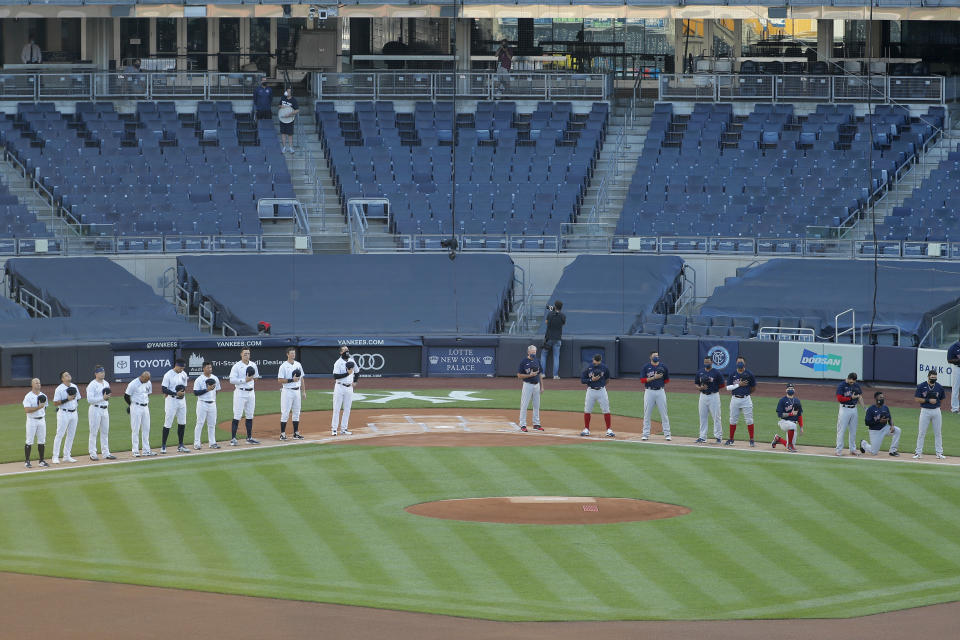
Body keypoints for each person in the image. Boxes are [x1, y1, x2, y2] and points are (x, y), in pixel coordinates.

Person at [229, 348, 260, 445]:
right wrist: (244, 380)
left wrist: (252, 379)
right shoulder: (236, 366)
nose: (247, 355)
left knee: (250, 415)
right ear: (241, 355)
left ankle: (249, 437)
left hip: (251, 393)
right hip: (240, 393)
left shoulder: (253, 365)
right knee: (237, 415)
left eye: (248, 354)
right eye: (245, 354)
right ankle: (233, 439)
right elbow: (232, 380)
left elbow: (256, 377)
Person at [724, 356, 757, 446]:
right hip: (735, 399)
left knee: (749, 420)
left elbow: (753, 387)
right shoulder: (733, 374)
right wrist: (739, 385)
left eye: (741, 362)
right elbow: (728, 388)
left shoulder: (749, 374)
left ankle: (751, 440)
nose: (740, 364)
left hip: (746, 399)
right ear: (736, 363)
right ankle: (731, 439)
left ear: (744, 363)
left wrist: (746, 393)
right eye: (738, 362)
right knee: (732, 420)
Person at [913, 370, 946, 460]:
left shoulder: (939, 387)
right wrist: (928, 401)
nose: (933, 379)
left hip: (936, 411)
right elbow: (916, 399)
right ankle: (918, 452)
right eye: (932, 377)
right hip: (925, 411)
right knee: (921, 432)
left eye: (935, 378)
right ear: (928, 377)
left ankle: (939, 453)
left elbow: (942, 399)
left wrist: (937, 405)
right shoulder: (921, 386)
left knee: (938, 433)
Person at [160, 358, 190, 454]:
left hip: (182, 401)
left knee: (182, 423)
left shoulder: (184, 374)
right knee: (168, 423)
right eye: (181, 368)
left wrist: (181, 393)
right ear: (176, 366)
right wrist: (175, 393)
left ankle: (180, 445)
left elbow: (184, 386)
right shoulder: (168, 375)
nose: (182, 369)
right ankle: (163, 446)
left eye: (183, 368)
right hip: (171, 401)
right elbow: (164, 389)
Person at [580, 353, 614, 438]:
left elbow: (607, 379)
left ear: (600, 360)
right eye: (596, 361)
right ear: (593, 359)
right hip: (591, 391)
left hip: (602, 390)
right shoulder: (589, 368)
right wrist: (592, 379)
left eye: (598, 361)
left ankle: (609, 429)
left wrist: (601, 384)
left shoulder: (604, 367)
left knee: (606, 409)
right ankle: (586, 429)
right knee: (587, 410)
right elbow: (582, 380)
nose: (597, 363)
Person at [86, 365, 115, 461]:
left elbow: (108, 396)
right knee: (93, 432)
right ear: (96, 374)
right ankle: (92, 453)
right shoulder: (92, 385)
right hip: (95, 409)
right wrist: (103, 398)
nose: (103, 373)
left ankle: (106, 453)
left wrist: (106, 398)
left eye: (103, 372)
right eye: (101, 372)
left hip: (105, 409)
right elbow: (90, 400)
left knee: (105, 432)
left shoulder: (106, 383)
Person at [52, 371, 81, 464]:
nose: (68, 376)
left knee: (71, 435)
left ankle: (67, 456)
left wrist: (73, 406)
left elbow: (78, 398)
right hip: (63, 413)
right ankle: (55, 456)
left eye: (69, 374)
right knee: (60, 434)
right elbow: (55, 403)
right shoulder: (59, 389)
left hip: (74, 413)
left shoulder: (74, 386)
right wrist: (67, 399)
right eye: (66, 375)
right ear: (62, 379)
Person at [640, 351, 670, 441]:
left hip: (660, 391)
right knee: (647, 414)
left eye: (657, 355)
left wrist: (658, 383)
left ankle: (667, 434)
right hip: (649, 391)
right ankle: (645, 434)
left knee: (664, 414)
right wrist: (654, 378)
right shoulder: (646, 367)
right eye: (654, 356)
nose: (656, 357)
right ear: (650, 357)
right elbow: (642, 380)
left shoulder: (663, 366)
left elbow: (667, 380)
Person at [694, 355, 724, 443]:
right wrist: (700, 388)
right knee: (702, 416)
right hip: (703, 396)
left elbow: (722, 385)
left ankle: (718, 437)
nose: (706, 363)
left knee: (716, 417)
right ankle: (702, 437)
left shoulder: (716, 373)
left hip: (713, 396)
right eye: (705, 362)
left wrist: (713, 387)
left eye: (708, 362)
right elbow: (696, 383)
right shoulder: (700, 372)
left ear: (712, 362)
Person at [860, 391, 901, 457]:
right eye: (880, 397)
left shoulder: (885, 408)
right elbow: (867, 423)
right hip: (875, 431)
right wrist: (879, 421)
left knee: (898, 430)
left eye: (883, 397)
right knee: (874, 452)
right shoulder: (871, 409)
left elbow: (890, 418)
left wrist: (892, 426)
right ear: (876, 398)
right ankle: (863, 444)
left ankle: (893, 451)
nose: (882, 399)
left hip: (885, 428)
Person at [278, 346, 306, 440]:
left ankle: (296, 433)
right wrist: (291, 380)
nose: (293, 355)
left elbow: (302, 378)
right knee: (285, 412)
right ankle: (282, 434)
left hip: (297, 391)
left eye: (294, 353)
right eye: (291, 353)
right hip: (287, 391)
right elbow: (280, 380)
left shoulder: (298, 364)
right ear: (287, 354)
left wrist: (303, 391)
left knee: (297, 412)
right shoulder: (283, 366)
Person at [124, 371, 155, 457]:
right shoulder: (133, 384)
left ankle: (146, 450)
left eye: (148, 379)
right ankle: (135, 451)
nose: (147, 381)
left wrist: (144, 402)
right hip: (136, 407)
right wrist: (131, 405)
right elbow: (126, 396)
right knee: (135, 429)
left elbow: (148, 394)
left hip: (145, 407)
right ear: (142, 376)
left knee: (146, 428)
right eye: (146, 379)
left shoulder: (148, 383)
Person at [192, 361, 221, 450]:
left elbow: (217, 390)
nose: (210, 369)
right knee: (200, 423)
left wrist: (213, 399)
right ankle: (197, 443)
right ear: (203, 368)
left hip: (212, 404)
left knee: (212, 424)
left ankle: (212, 443)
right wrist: (207, 390)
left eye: (210, 368)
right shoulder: (199, 379)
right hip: (202, 403)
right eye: (208, 368)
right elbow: (195, 392)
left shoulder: (215, 378)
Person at [332, 346, 359, 436]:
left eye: (347, 350)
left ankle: (344, 429)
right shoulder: (338, 363)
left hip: (349, 388)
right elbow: (335, 376)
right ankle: (334, 429)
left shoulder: (351, 360)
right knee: (337, 408)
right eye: (344, 350)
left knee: (347, 409)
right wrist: (347, 373)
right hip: (339, 387)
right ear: (340, 352)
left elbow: (357, 371)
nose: (347, 351)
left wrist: (355, 381)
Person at [517, 345, 544, 433]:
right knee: (524, 405)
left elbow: (540, 374)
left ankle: (536, 424)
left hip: (536, 385)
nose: (533, 354)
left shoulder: (537, 360)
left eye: (535, 352)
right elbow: (519, 375)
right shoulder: (523, 362)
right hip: (527, 385)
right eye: (532, 352)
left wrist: (542, 386)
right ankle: (523, 424)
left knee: (536, 405)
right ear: (528, 352)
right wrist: (529, 375)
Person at [835, 372, 862, 457]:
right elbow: (839, 398)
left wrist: (864, 408)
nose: (852, 383)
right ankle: (838, 450)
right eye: (851, 381)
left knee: (853, 431)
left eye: (854, 381)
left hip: (854, 409)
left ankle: (853, 449)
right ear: (848, 378)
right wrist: (850, 398)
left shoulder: (856, 385)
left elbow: (860, 397)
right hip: (844, 409)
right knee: (841, 430)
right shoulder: (841, 385)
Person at [23, 379, 49, 468]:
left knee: (42, 440)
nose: (38, 384)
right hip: (31, 420)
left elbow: (45, 408)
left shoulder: (43, 396)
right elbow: (26, 410)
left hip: (42, 420)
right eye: (36, 383)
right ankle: (27, 461)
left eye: (39, 382)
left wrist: (40, 411)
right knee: (29, 440)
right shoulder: (28, 396)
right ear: (32, 385)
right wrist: (38, 408)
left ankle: (41, 461)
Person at [772, 383, 803, 452]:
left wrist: (801, 427)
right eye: (789, 389)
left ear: (794, 390)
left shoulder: (797, 401)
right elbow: (779, 415)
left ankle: (778, 439)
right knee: (793, 425)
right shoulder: (782, 400)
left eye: (792, 389)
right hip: (784, 422)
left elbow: (799, 415)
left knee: (792, 445)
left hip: (794, 425)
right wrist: (790, 414)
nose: (790, 390)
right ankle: (789, 445)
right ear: (786, 390)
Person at [540, 301, 565, 379]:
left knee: (543, 355)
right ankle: (555, 375)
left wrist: (552, 311)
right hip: (557, 338)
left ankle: (542, 374)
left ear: (555, 306)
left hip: (549, 338)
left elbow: (546, 322)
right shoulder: (563, 315)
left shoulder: (550, 314)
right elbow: (563, 323)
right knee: (556, 357)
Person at [278, 88, 299, 154]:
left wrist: (290, 114)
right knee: (283, 133)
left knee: (290, 134)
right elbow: (279, 105)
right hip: (282, 119)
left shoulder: (293, 100)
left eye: (288, 92)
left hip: (290, 119)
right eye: (286, 91)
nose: (287, 92)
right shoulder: (283, 98)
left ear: (291, 93)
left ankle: (291, 148)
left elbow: (297, 110)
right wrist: (281, 106)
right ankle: (284, 148)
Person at [947, 339, 960, 413]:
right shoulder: (954, 347)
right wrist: (958, 360)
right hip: (958, 369)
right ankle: (955, 408)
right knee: (955, 388)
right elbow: (949, 360)